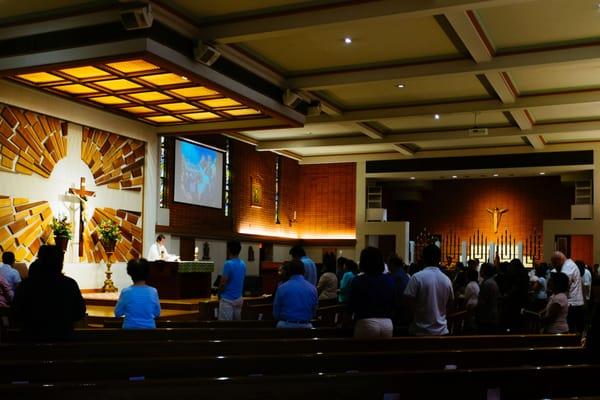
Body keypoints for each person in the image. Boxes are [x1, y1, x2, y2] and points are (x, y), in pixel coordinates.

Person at [13, 245, 86, 341]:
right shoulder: (69, 284)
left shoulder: (27, 285)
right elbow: (79, 312)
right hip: (63, 342)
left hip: (31, 341)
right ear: (60, 263)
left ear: (40, 260)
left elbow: (16, 313)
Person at [404, 244, 454, 336]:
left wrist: (419, 315)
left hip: (420, 331)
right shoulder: (447, 280)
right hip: (441, 331)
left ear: (423, 258)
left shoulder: (417, 277)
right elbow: (450, 304)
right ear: (439, 259)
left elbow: (408, 302)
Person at [349, 247, 397, 339]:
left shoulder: (358, 281)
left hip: (366, 323)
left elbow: (351, 305)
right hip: (387, 324)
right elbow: (394, 304)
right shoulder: (390, 280)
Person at [114, 258, 161, 329]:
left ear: (129, 273)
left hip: (129, 333)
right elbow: (157, 313)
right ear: (147, 273)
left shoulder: (126, 292)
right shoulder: (153, 291)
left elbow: (117, 313)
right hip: (150, 333)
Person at [273, 259, 317, 328]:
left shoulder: (282, 288)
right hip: (306, 327)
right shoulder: (312, 288)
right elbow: (314, 312)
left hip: (285, 326)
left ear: (289, 271)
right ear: (303, 271)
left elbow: (276, 313)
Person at [550, 251, 584, 333]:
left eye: (554, 264)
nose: (555, 267)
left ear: (558, 261)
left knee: (571, 332)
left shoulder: (567, 267)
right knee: (573, 331)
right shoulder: (568, 265)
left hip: (572, 305)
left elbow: (561, 283)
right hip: (574, 304)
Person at [218, 240, 246, 320]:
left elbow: (223, 283)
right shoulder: (243, 264)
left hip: (228, 300)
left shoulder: (228, 264)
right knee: (236, 327)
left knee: (226, 328)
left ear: (228, 249)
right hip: (239, 299)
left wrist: (219, 294)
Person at [476, 262, 501, 334]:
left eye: (481, 269)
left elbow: (483, 302)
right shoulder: (491, 282)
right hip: (491, 316)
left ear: (484, 271)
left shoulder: (487, 283)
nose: (480, 271)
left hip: (487, 317)